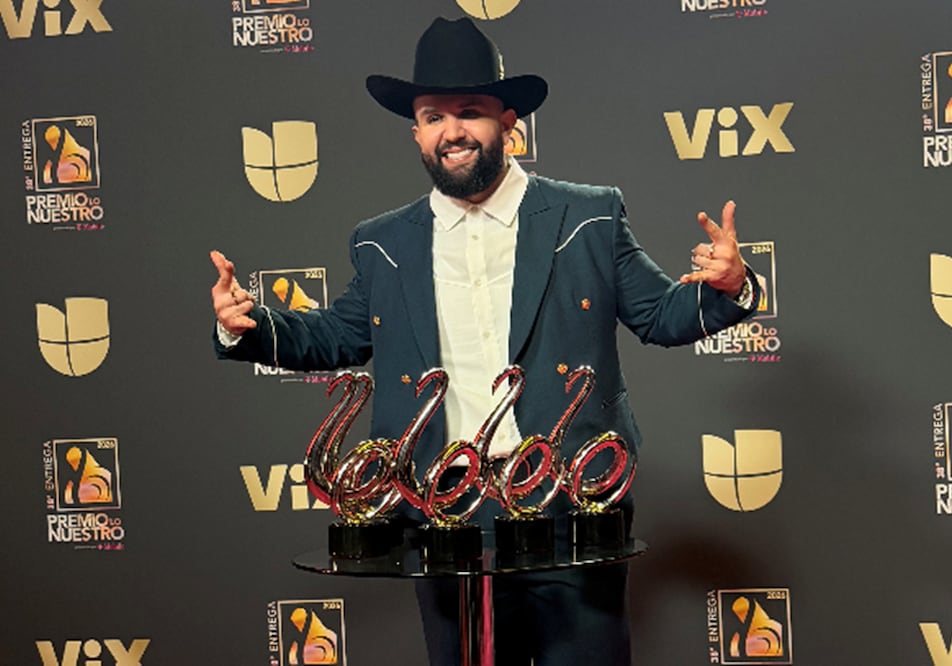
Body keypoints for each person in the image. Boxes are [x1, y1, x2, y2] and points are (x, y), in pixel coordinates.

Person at [211, 16, 760, 666]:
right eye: (433, 115)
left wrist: (728, 287)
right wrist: (245, 325)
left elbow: (661, 314)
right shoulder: (383, 242)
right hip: (445, 520)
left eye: (469, 112)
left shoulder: (588, 215)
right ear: (416, 131)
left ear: (507, 122)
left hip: (567, 512)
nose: (451, 131)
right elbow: (335, 338)